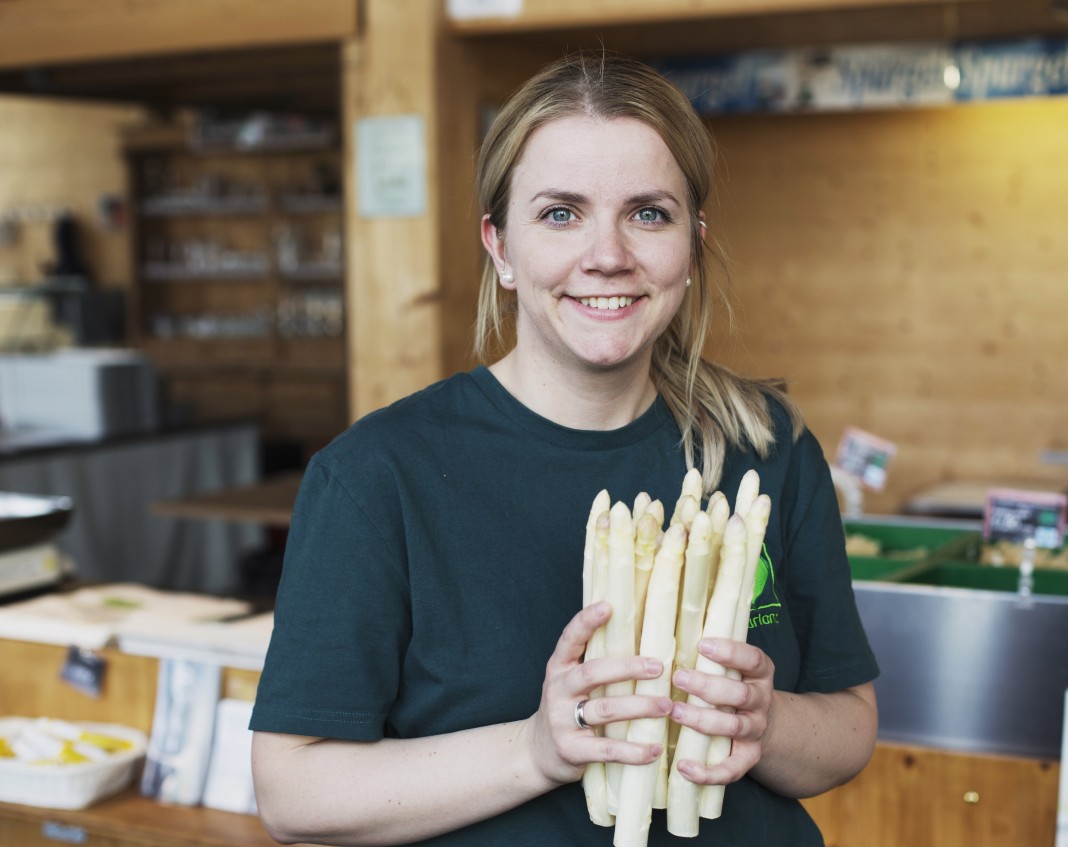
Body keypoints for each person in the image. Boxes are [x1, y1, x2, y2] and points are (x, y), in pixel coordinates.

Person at [249, 51, 879, 846]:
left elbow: (850, 725)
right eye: (560, 213)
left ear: (692, 242)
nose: (608, 254)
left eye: (649, 212)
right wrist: (536, 750)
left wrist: (770, 722)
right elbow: (293, 792)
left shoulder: (769, 448)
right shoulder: (377, 476)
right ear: (501, 246)